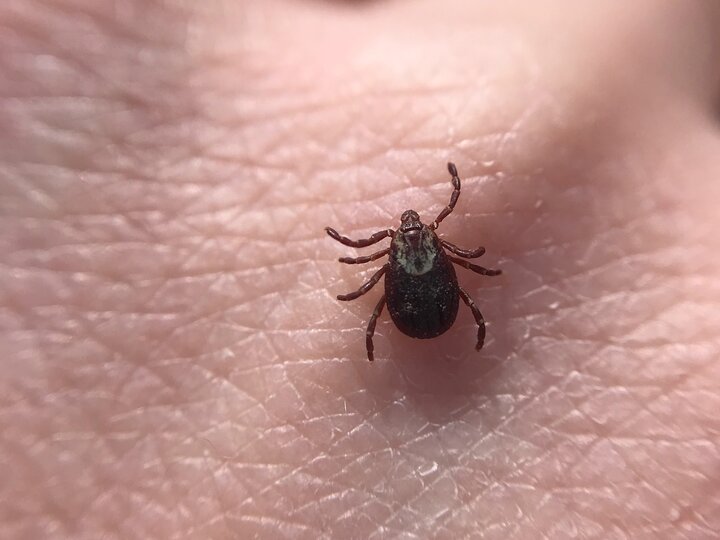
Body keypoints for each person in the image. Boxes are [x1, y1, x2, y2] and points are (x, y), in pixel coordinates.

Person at [1, 1, 719, 537]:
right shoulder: (439, 250)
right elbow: (450, 270)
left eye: (416, 234)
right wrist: (464, 277)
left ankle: (402, 328)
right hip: (430, 312)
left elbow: (361, 265)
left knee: (389, 303)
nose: (412, 235)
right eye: (414, 236)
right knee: (452, 300)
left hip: (414, 313)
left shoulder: (401, 258)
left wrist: (380, 278)